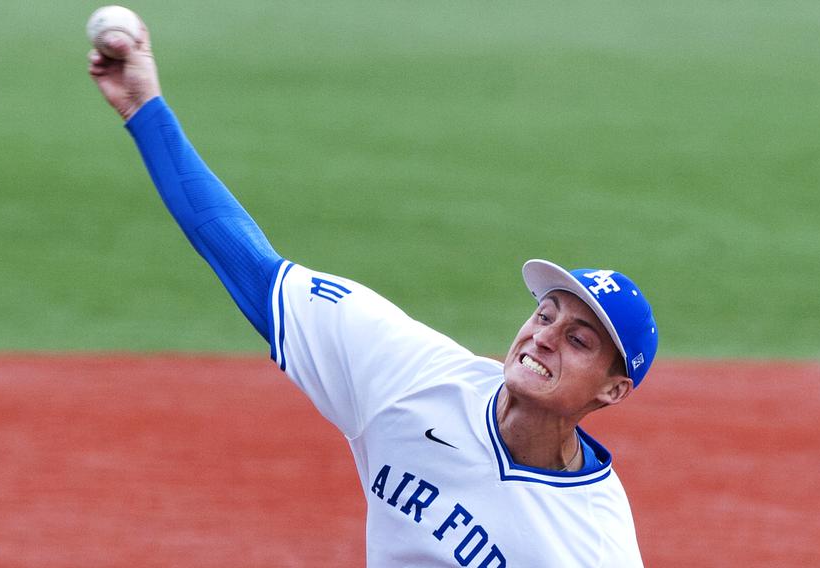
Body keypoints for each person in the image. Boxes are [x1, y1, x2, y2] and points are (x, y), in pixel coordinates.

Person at [88, 19, 658, 567]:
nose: (543, 337)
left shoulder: (593, 543)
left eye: (578, 339)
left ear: (613, 390)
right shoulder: (413, 379)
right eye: (545, 313)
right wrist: (144, 108)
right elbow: (253, 269)